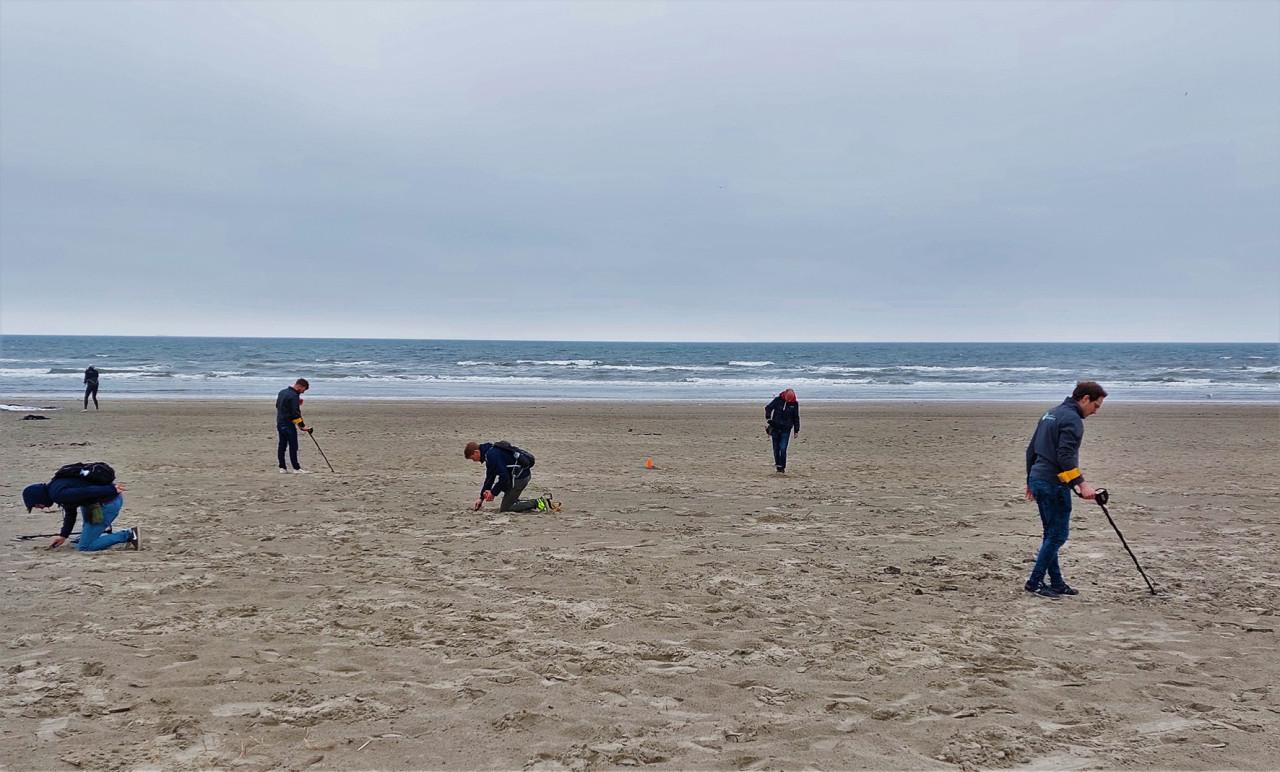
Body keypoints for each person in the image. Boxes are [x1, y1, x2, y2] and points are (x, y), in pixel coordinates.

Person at [1023, 381, 1107, 598]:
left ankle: (1057, 582)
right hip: (1052, 483)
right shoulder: (1072, 419)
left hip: (1039, 478)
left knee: (1050, 534)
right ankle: (1035, 582)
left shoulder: (1050, 413)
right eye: (1096, 406)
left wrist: (1030, 479)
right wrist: (1082, 484)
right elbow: (1064, 457)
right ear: (1085, 398)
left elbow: (1031, 450)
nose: (1095, 412)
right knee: (1057, 535)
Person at [22, 475, 138, 552]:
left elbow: (86, 491)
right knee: (82, 538)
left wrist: (111, 490)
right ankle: (92, 535)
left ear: (39, 497)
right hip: (97, 504)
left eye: (37, 505)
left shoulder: (58, 494)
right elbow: (70, 512)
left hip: (107, 505)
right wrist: (63, 536)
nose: (40, 508)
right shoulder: (56, 489)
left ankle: (129, 535)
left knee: (85, 547)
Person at [464, 441, 554, 513]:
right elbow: (489, 478)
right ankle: (517, 502)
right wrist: (481, 498)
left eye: (472, 458)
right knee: (509, 499)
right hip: (519, 476)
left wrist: (493, 493)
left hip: (520, 478)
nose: (474, 461)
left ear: (476, 452)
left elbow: (504, 477)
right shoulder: (489, 453)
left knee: (506, 508)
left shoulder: (492, 455)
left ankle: (538, 502)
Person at [275, 378, 313, 474]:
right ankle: (296, 468)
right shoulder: (294, 396)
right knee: (293, 446)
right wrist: (302, 426)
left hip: (280, 422)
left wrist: (296, 403)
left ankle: (282, 468)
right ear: (300, 386)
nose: (303, 392)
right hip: (288, 424)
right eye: (304, 390)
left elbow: (278, 406)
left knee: (282, 445)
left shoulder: (282, 392)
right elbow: (295, 413)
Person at [764, 388, 801, 473]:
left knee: (783, 448)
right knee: (776, 448)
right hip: (775, 428)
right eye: (787, 398)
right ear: (785, 395)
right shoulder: (778, 400)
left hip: (786, 429)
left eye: (790, 399)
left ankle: (783, 466)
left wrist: (796, 430)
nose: (788, 400)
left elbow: (796, 417)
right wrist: (768, 418)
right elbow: (768, 408)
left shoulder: (794, 404)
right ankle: (778, 466)